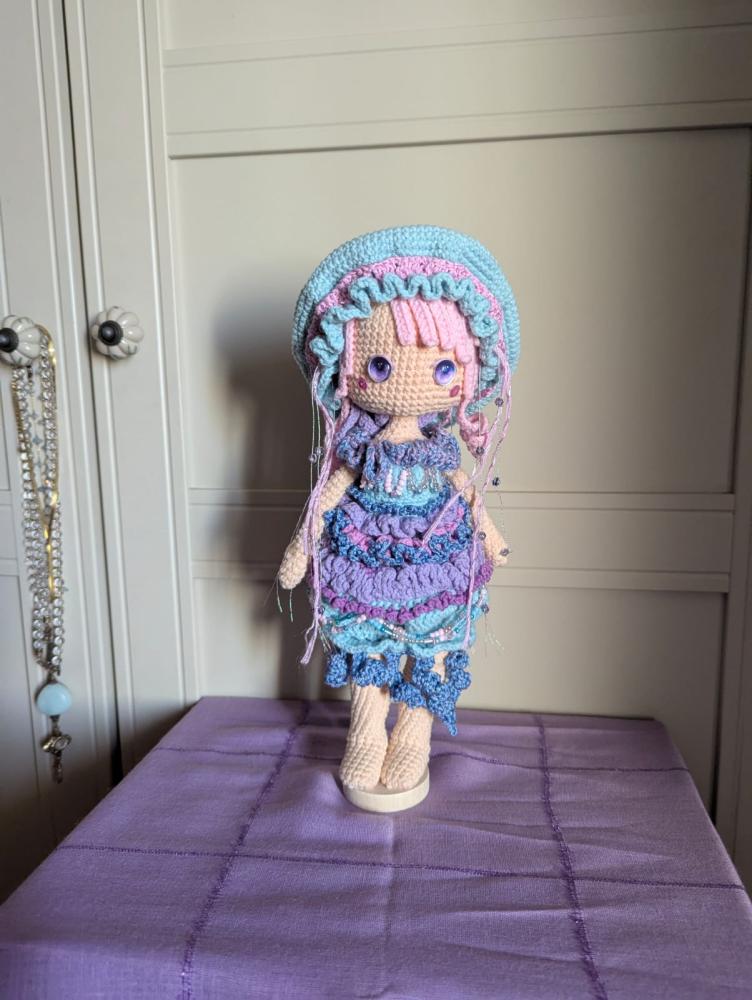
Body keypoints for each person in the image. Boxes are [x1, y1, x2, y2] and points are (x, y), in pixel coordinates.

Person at [278, 225, 519, 796]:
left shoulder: (439, 450)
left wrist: (490, 535)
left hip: (437, 554)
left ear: (468, 371)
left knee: (431, 645)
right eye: (380, 366)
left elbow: (463, 489)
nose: (410, 381)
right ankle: (366, 730)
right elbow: (328, 493)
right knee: (367, 643)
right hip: (367, 553)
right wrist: (299, 550)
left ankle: (414, 731)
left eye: (443, 368)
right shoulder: (359, 449)